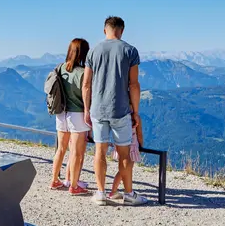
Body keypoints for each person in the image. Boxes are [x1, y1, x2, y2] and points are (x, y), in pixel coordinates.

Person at [82, 16, 150, 206]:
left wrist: (87, 109)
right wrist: (135, 112)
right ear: (122, 30)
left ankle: (101, 193)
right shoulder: (130, 51)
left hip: (98, 110)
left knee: (99, 153)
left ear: (105, 30)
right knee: (124, 154)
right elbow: (134, 85)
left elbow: (86, 84)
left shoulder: (93, 51)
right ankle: (129, 194)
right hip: (120, 111)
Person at [50, 38, 91, 195]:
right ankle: (74, 186)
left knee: (60, 149)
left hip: (61, 112)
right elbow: (87, 93)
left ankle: (54, 180)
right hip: (78, 114)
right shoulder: (83, 73)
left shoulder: (60, 68)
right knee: (76, 152)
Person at [109, 116, 142, 201]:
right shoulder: (136, 118)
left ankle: (114, 191)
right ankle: (125, 192)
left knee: (122, 169)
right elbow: (140, 134)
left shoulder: (119, 117)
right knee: (126, 169)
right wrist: (141, 146)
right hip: (132, 146)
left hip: (120, 146)